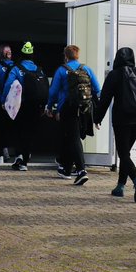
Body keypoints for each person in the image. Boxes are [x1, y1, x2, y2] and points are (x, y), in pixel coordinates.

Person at [94, 47, 136, 202]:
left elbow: (105, 98)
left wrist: (97, 117)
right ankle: (120, 186)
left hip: (122, 119)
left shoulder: (115, 74)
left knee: (124, 154)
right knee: (125, 153)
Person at [47, 44, 99, 186]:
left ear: (66, 56)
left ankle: (82, 170)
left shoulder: (62, 70)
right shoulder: (86, 69)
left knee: (73, 137)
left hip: (68, 108)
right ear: (78, 55)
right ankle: (66, 169)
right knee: (71, 137)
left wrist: (50, 107)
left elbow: (53, 91)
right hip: (84, 109)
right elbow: (97, 88)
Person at [1, 41, 47, 171]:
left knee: (19, 130)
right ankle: (25, 159)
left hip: (20, 105)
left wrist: (3, 101)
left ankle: (20, 157)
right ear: (32, 54)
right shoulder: (39, 70)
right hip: (36, 106)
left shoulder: (16, 68)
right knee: (30, 132)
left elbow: (8, 85)